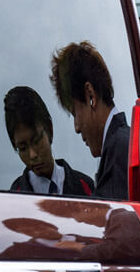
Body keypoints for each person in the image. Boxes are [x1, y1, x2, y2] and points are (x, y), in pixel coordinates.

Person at [50, 41, 130, 200]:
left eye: (74, 113)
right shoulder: (122, 144)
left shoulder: (118, 151)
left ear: (90, 96)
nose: (77, 128)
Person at [3, 85, 94, 196]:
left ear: (50, 130)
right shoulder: (13, 198)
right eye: (23, 148)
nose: (32, 155)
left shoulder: (86, 188)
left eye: (36, 141)